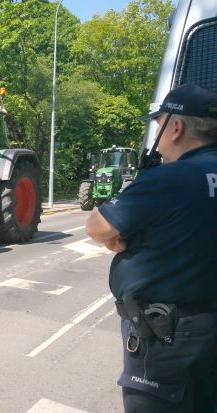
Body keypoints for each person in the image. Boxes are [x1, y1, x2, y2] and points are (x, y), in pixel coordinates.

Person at [85, 84, 217, 413]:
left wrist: (116, 239)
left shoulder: (170, 179)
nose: (155, 130)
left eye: (158, 123)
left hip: (166, 341)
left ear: (176, 127)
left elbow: (97, 226)